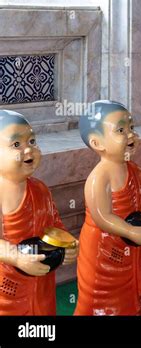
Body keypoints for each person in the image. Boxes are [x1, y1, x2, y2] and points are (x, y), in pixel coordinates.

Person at [74, 101, 141, 315]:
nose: (131, 135)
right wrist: (129, 231)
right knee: (105, 286)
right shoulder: (100, 177)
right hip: (105, 246)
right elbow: (102, 217)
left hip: (134, 240)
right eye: (120, 130)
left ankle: (139, 304)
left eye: (132, 128)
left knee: (138, 274)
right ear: (97, 142)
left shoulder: (135, 171)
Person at [0, 110, 78, 315]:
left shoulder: (40, 189)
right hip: (7, 283)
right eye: (17, 144)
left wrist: (68, 244)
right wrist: (16, 258)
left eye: (32, 142)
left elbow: (54, 226)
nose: (29, 150)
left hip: (41, 274)